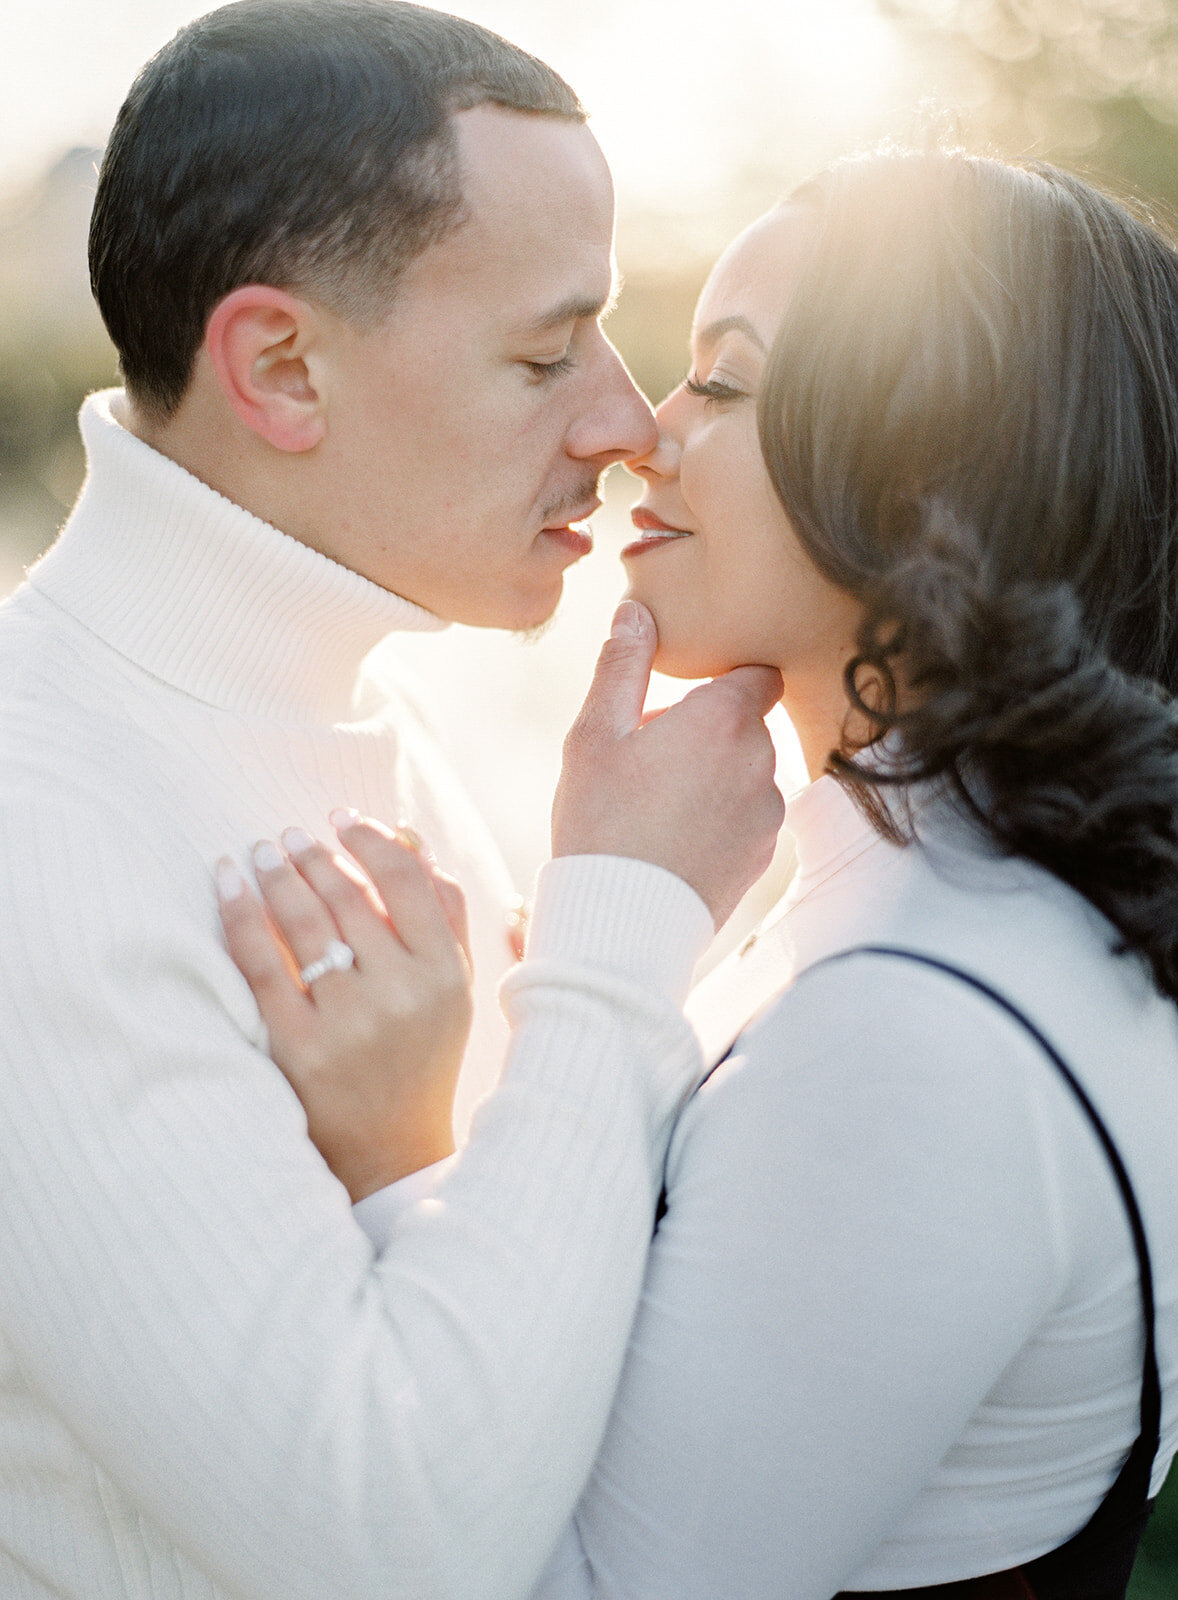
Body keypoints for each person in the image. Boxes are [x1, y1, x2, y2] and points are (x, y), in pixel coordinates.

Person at [231, 148, 1178, 1598]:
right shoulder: (971, 907)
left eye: (722, 386)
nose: (637, 434)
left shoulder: (919, 1028)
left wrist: (399, 1157)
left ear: (925, 471)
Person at [0, 3, 786, 1598]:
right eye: (542, 351)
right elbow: (399, 1546)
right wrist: (617, 933)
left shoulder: (370, 722)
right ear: (282, 367)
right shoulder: (41, 830)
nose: (625, 424)